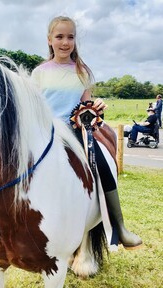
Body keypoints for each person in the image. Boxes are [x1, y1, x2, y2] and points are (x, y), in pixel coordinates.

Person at [32, 16, 142, 249]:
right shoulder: (40, 72)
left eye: (70, 37)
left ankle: (119, 226)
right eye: (59, 37)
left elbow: (86, 104)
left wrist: (97, 105)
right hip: (45, 132)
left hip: (75, 132)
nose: (65, 42)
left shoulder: (82, 72)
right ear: (49, 40)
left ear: (75, 40)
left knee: (102, 164)